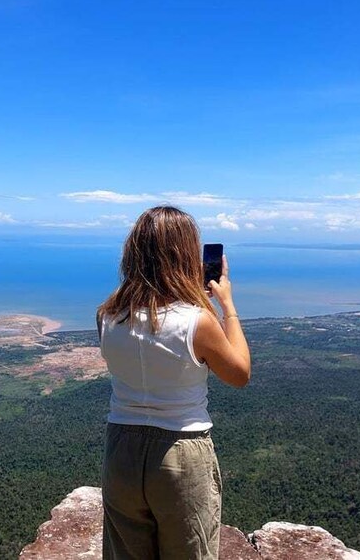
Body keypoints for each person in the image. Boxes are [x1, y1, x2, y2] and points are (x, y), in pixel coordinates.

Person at [97, 205, 251, 560]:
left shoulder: (106, 315)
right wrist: (227, 306)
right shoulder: (198, 321)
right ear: (185, 255)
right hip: (180, 452)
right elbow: (240, 373)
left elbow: (148, 336)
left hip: (121, 449)